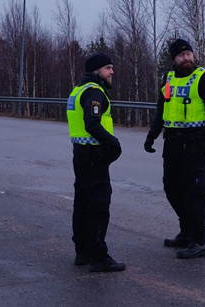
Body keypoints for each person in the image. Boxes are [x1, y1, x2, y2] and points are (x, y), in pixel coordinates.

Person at [144, 39, 205, 259]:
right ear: (174, 59)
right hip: (172, 143)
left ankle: (199, 241)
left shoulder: (204, 77)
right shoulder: (168, 79)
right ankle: (186, 231)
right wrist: (152, 136)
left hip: (195, 144)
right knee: (172, 189)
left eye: (189, 53)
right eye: (181, 55)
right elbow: (162, 110)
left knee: (195, 193)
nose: (186, 58)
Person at [66, 53, 125, 272]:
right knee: (99, 206)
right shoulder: (94, 92)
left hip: (81, 154)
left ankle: (82, 252)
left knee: (82, 203)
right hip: (94, 156)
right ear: (96, 70)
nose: (112, 72)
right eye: (108, 68)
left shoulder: (77, 90)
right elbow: (92, 123)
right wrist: (113, 143)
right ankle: (98, 256)